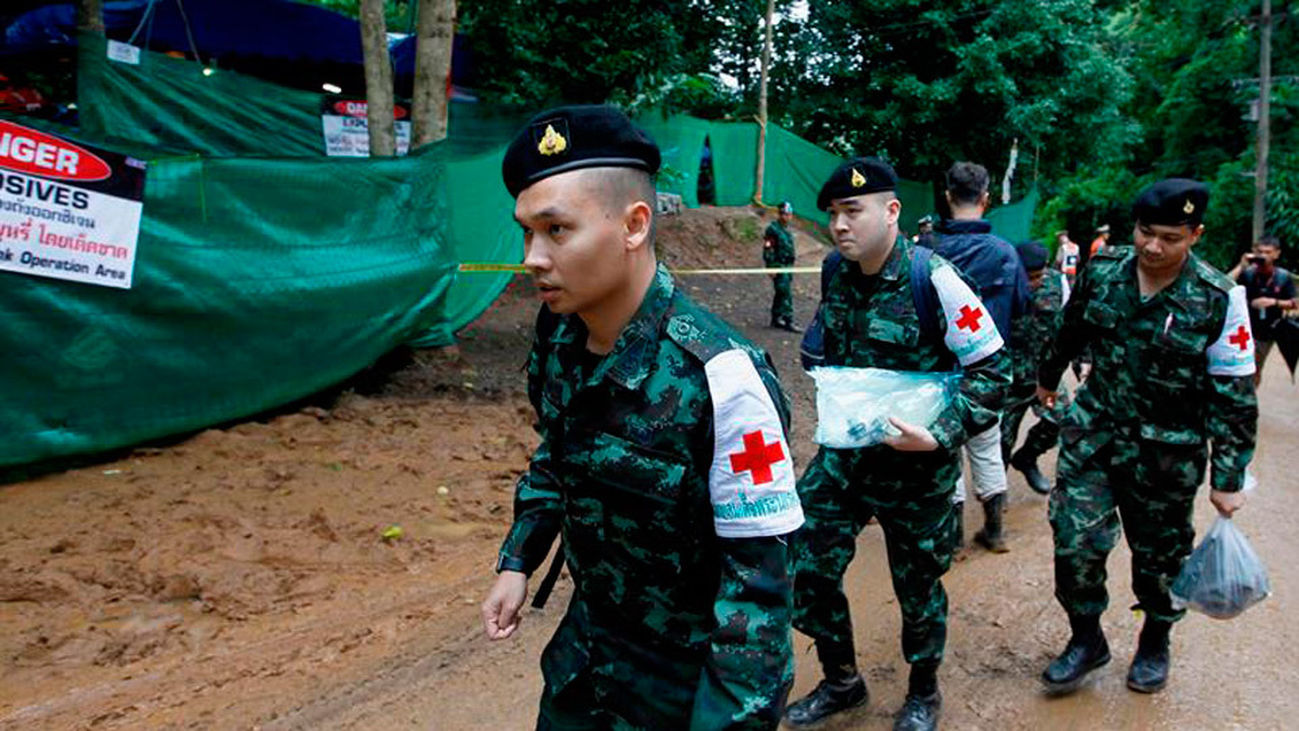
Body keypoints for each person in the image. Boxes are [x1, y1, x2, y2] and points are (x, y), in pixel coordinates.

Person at [481, 105, 805, 729]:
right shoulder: (559, 337)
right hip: (584, 663)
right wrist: (518, 560)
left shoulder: (721, 377)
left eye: (556, 230)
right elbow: (558, 451)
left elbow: (758, 599)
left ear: (633, 225)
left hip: (682, 691)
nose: (533, 258)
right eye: (526, 232)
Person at [786, 157, 1008, 731]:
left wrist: (938, 435)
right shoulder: (834, 271)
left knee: (917, 587)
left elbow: (993, 372)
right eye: (833, 213)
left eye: (852, 211)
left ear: (891, 211)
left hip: (918, 468)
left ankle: (922, 693)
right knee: (805, 562)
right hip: (846, 460)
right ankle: (842, 681)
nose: (839, 225)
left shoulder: (933, 278)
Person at [1036, 179, 1258, 697]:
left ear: (1195, 235)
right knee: (1075, 543)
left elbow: (1234, 396)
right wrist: (1048, 376)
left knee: (1159, 560)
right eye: (1144, 232)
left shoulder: (1217, 298)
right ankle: (1086, 639)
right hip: (1095, 434)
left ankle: (1155, 641)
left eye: (1170, 237)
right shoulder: (1105, 269)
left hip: (1167, 454)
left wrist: (1227, 478)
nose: (1153, 247)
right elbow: (1071, 328)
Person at [933, 161, 1031, 553]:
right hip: (988, 373)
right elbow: (1023, 307)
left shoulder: (926, 250)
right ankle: (994, 531)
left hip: (940, 372)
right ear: (986, 199)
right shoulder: (1006, 253)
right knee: (988, 449)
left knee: (948, 453)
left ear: (947, 197)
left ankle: (953, 539)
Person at [1000, 241, 1070, 495]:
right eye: (1027, 277)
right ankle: (996, 495)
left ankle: (1027, 458)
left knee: (1060, 419)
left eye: (1038, 276)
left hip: (1044, 375)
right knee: (1001, 439)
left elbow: (1070, 325)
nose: (1033, 283)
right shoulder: (1001, 284)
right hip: (1011, 377)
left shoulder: (1057, 284)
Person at [1227, 235, 1296, 385]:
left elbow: (1295, 303)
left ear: (1277, 253)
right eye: (1260, 252)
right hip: (1246, 330)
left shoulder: (1283, 277)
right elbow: (1223, 287)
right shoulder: (1248, 273)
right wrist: (1241, 266)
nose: (1263, 256)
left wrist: (1274, 302)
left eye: (1268, 252)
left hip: (1271, 330)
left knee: (1256, 368)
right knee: (1248, 369)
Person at [764, 201, 802, 332]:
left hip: (787, 266)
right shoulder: (773, 229)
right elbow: (768, 249)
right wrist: (771, 266)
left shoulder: (786, 230)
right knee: (785, 293)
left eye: (789, 214)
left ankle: (775, 318)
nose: (787, 217)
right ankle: (788, 319)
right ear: (779, 214)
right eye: (784, 214)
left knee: (781, 293)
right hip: (779, 266)